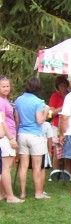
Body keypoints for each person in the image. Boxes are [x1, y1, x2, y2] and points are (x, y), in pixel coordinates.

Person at [14, 76, 50, 200]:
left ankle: (22, 193)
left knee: (23, 166)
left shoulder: (18, 100)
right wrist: (46, 111)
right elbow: (40, 120)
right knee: (36, 166)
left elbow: (17, 119)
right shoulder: (39, 102)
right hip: (35, 135)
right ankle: (38, 193)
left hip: (22, 134)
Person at [0, 75, 23, 203]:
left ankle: (2, 194)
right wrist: (11, 138)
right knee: (6, 167)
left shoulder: (5, 100)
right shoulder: (1, 101)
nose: (6, 89)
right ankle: (10, 196)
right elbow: (2, 121)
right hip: (6, 137)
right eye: (3, 86)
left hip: (6, 136)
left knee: (3, 167)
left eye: (7, 86)